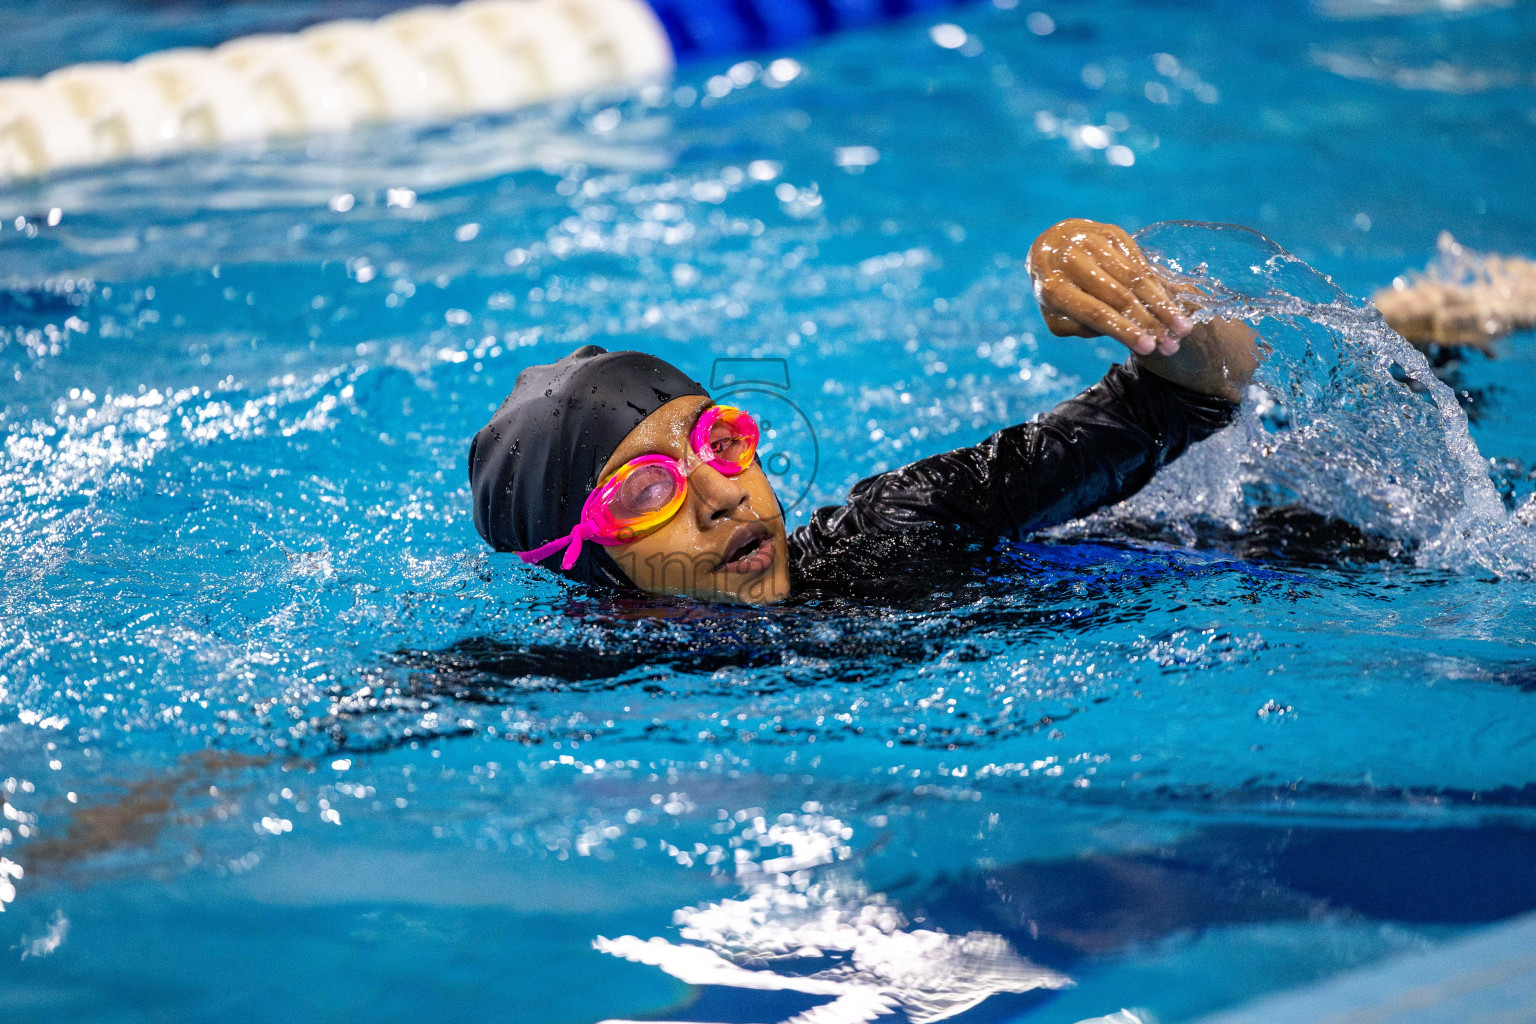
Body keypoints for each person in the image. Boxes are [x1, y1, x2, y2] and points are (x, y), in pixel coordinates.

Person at [468, 219, 1259, 606]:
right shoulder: (564, 685)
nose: (723, 498)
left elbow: (1202, 388)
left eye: (718, 443)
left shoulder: (895, 536)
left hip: (1268, 565)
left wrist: (1118, 282)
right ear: (580, 556)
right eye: (648, 490)